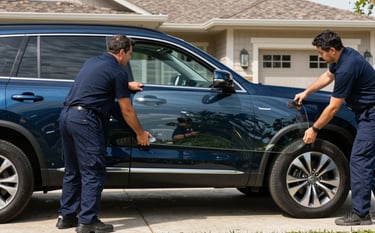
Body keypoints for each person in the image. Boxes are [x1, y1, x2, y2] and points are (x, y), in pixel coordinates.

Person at [56, 34, 152, 233]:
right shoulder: (118, 71)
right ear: (122, 52)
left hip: (67, 117)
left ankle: (66, 217)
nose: (129, 59)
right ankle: (87, 221)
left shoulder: (94, 62)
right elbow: (126, 110)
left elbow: (97, 83)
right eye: (130, 55)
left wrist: (126, 86)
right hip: (86, 121)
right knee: (93, 171)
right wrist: (140, 133)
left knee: (73, 170)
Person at [294, 30, 375, 226]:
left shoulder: (347, 68)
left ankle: (361, 214)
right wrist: (307, 91)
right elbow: (327, 76)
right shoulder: (344, 55)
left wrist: (314, 129)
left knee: (359, 161)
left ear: (331, 50)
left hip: (372, 116)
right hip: (367, 114)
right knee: (370, 163)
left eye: (321, 53)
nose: (319, 56)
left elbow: (333, 107)